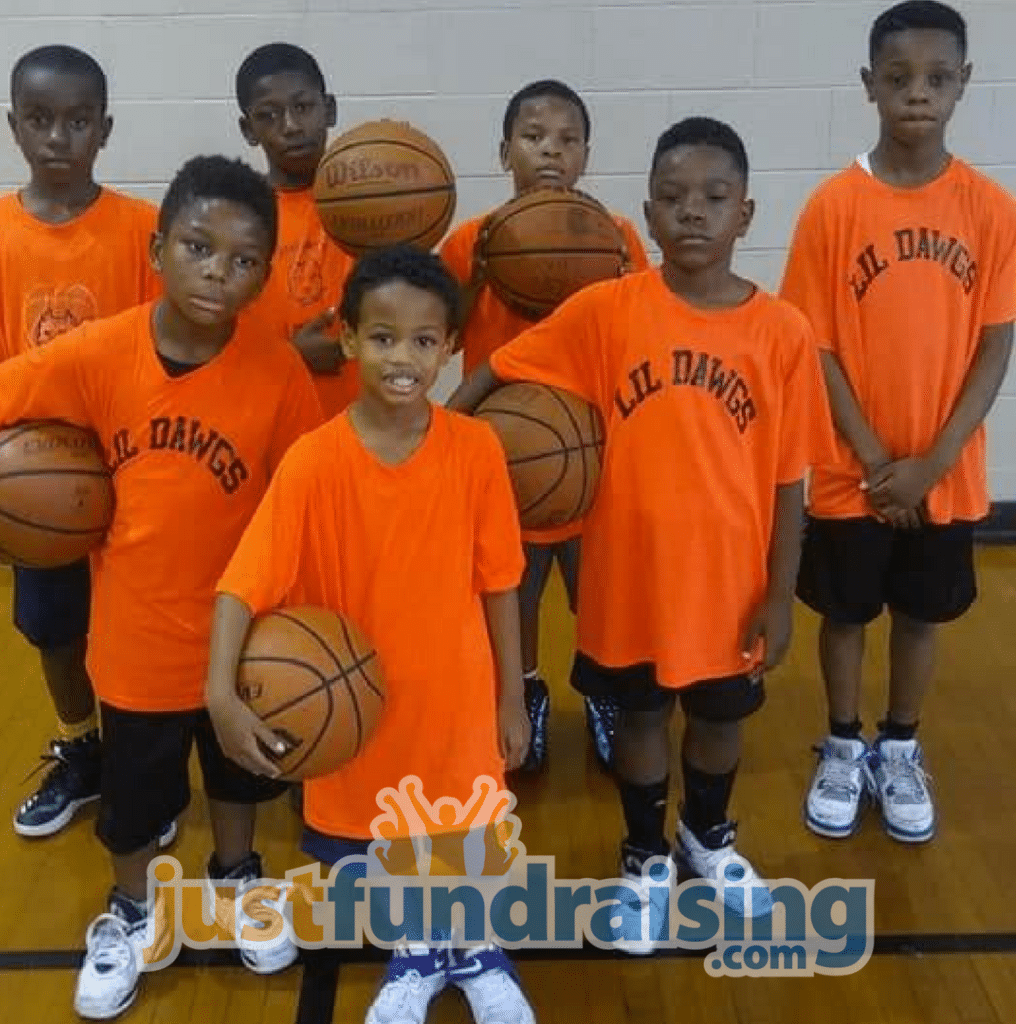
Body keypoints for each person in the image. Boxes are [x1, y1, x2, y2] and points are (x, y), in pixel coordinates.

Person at [450, 117, 835, 952]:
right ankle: (642, 859)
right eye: (671, 197)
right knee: (641, 719)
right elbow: (501, 368)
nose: (691, 212)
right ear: (646, 218)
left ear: (747, 214)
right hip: (629, 577)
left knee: (722, 720)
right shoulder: (605, 311)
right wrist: (436, 440)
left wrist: (779, 594)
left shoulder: (784, 333)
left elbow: (790, 478)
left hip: (730, 583)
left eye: (714, 197)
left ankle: (706, 837)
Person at [0, 154, 324, 1018]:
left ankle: (236, 883)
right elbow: (2, 398)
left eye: (245, 259)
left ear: (263, 274)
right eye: (199, 246)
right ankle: (131, 909)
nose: (219, 271)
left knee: (241, 781)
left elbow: (303, 497)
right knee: (136, 798)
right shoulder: (99, 353)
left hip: (245, 630)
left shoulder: (279, 371)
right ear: (157, 247)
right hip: (136, 637)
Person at [208, 245, 536, 1022]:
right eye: (383, 336)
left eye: (424, 340)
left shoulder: (476, 449)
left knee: (464, 838)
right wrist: (219, 692)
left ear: (450, 348)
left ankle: (478, 950)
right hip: (357, 709)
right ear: (349, 340)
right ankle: (417, 954)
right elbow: (241, 583)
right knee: (387, 847)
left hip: (457, 701)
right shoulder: (313, 463)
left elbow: (501, 583)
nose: (404, 356)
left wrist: (512, 695)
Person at [781, 0, 1016, 844]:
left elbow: (996, 344)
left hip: (943, 471)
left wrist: (933, 462)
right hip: (853, 470)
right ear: (869, 87)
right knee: (846, 615)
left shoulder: (989, 209)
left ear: (963, 86)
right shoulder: (833, 207)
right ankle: (844, 744)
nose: (918, 93)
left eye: (937, 78)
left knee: (921, 616)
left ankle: (901, 744)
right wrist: (880, 458)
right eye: (899, 78)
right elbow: (817, 348)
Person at [440, 78, 650, 772]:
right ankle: (523, 689)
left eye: (567, 140)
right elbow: (439, 332)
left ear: (587, 154)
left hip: (594, 454)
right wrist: (481, 272)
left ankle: (602, 691)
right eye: (533, 138)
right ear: (505, 152)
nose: (549, 152)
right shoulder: (474, 239)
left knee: (601, 594)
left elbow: (643, 337)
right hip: (508, 455)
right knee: (514, 591)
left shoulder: (615, 240)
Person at [0, 44, 161, 839]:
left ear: (105, 128)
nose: (58, 136)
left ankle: (142, 762)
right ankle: (81, 748)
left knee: (137, 630)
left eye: (77, 120)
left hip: (134, 469)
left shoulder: (144, 231)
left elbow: (169, 350)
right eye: (39, 120)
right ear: (14, 127)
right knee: (54, 628)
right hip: (36, 481)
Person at [236, 42, 357, 419]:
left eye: (303, 107)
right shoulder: (238, 215)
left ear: (330, 109)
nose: (290, 126)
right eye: (269, 115)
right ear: (248, 129)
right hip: (268, 426)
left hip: (364, 427)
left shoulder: (372, 204)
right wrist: (290, 357)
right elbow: (206, 339)